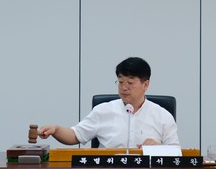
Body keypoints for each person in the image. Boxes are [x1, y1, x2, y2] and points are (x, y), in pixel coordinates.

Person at [39, 57, 179, 148]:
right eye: (121, 82)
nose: (124, 88)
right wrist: (56, 130)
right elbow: (75, 135)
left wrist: (159, 148)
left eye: (130, 83)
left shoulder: (162, 116)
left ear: (145, 84)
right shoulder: (103, 111)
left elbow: (177, 153)